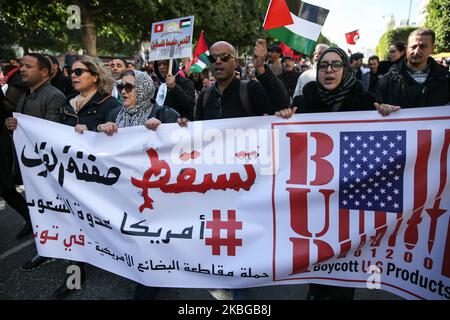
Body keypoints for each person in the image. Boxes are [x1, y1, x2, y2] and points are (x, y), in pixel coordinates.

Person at [281, 47, 377, 299]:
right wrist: (285, 116)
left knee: (345, 254)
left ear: (345, 68)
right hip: (316, 195)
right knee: (317, 249)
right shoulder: (305, 101)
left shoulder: (365, 101)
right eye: (323, 66)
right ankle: (315, 291)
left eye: (335, 65)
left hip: (351, 192)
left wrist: (387, 113)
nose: (329, 71)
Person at [52, 55, 121, 299]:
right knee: (73, 223)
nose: (73, 75)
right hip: (71, 178)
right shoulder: (69, 103)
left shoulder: (109, 104)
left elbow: (120, 140)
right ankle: (74, 276)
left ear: (94, 76)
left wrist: (98, 130)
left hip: (100, 181)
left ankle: (128, 262)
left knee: (105, 225)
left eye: (80, 71)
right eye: (72, 71)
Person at [4, 53, 66, 271]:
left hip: (45, 169)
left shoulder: (54, 96)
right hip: (29, 167)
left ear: (44, 72)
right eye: (21, 65)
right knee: (39, 210)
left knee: (52, 210)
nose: (22, 69)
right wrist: (11, 124)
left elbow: (51, 131)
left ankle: (62, 249)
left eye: (28, 66)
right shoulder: (24, 96)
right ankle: (46, 248)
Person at [375, 28, 450, 117]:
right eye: (413, 47)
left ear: (432, 48)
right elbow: (375, 105)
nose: (416, 51)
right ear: (406, 48)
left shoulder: (446, 79)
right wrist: (382, 108)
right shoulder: (387, 80)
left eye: (423, 46)